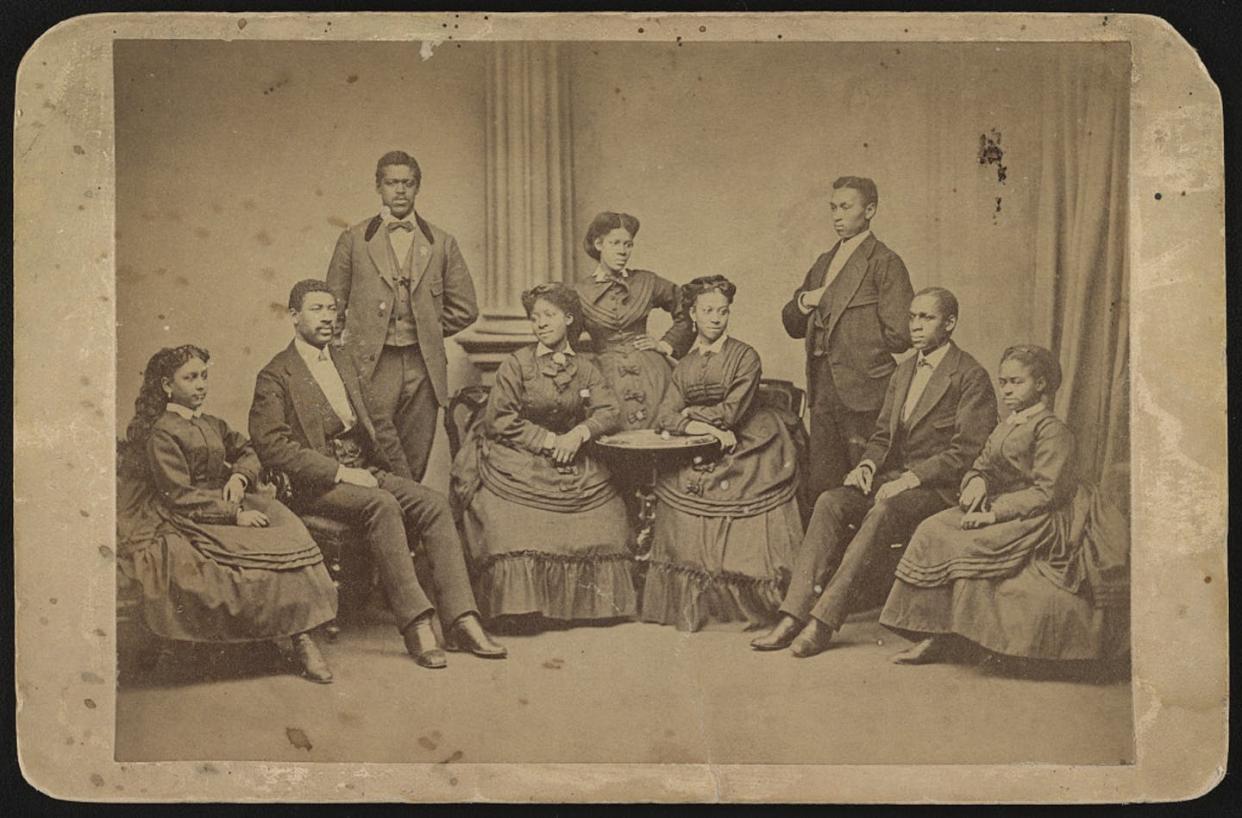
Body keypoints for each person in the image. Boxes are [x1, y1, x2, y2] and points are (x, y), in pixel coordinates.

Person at [249, 279, 505, 669]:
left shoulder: (345, 361)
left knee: (432, 504)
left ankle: (461, 620)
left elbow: (381, 426)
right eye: (316, 309)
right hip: (316, 484)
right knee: (383, 506)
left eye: (332, 309)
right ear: (294, 316)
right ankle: (417, 623)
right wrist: (340, 473)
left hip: (366, 471)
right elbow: (272, 446)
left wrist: (406, 483)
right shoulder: (275, 375)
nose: (327, 317)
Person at [751, 287, 997, 657]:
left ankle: (823, 621)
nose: (915, 326)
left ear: (950, 323)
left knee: (883, 512)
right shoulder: (904, 372)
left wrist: (911, 479)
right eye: (912, 317)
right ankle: (793, 613)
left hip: (937, 489)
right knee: (831, 501)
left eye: (926, 318)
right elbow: (882, 435)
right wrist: (867, 465)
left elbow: (967, 451)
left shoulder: (969, 375)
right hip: (894, 479)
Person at [117, 345, 338, 683]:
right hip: (189, 513)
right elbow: (177, 495)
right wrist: (233, 514)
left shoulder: (212, 422)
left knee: (285, 534)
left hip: (226, 499)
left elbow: (249, 450)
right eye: (190, 378)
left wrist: (239, 476)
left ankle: (301, 637)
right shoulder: (161, 432)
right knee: (235, 567)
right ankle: (295, 640)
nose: (201, 384)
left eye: (204, 376)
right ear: (166, 385)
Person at [880, 345, 1100, 664]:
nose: (1007, 390)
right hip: (997, 504)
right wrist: (977, 481)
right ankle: (931, 631)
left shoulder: (1053, 430)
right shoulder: (1006, 425)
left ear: (1040, 384)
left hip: (1036, 515)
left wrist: (993, 514)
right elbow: (981, 462)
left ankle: (957, 637)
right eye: (1003, 382)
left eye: (1016, 382)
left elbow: (1046, 493)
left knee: (967, 541)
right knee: (932, 528)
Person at [450, 283, 636, 624]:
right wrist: (551, 442)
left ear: (568, 319)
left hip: (573, 457)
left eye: (549, 316)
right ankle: (521, 609)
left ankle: (586, 609)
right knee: (511, 528)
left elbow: (609, 410)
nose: (541, 323)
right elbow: (500, 420)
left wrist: (579, 433)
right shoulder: (516, 364)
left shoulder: (586, 367)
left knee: (608, 520)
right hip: (516, 454)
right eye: (535, 318)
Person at [640, 275, 804, 631]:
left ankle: (755, 598)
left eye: (723, 311)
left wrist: (691, 416)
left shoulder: (745, 356)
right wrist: (705, 428)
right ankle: (700, 600)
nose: (716, 318)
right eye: (708, 311)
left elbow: (733, 413)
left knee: (749, 488)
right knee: (677, 488)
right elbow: (663, 416)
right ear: (693, 316)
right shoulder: (683, 365)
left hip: (750, 440)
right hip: (708, 440)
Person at [326, 150, 479, 481]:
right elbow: (331, 306)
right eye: (392, 183)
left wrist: (427, 331)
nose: (400, 191)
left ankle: (410, 526)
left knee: (416, 454)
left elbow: (466, 307)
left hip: (422, 366)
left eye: (407, 183)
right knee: (379, 452)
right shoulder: (353, 239)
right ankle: (399, 523)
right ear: (378, 187)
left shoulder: (441, 242)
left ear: (417, 187)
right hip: (371, 364)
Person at [781, 176, 914, 501]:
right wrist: (805, 301)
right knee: (823, 485)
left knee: (869, 486)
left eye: (846, 207)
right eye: (833, 208)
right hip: (823, 389)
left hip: (866, 390)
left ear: (869, 210)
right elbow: (792, 322)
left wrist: (861, 342)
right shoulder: (824, 262)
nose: (837, 216)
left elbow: (901, 336)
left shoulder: (885, 263)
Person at [573, 211, 695, 432]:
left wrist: (665, 345)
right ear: (599, 244)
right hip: (605, 375)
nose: (623, 251)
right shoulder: (580, 291)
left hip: (653, 373)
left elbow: (688, 307)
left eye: (628, 245)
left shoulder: (646, 281)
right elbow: (567, 337)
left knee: (661, 429)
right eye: (615, 243)